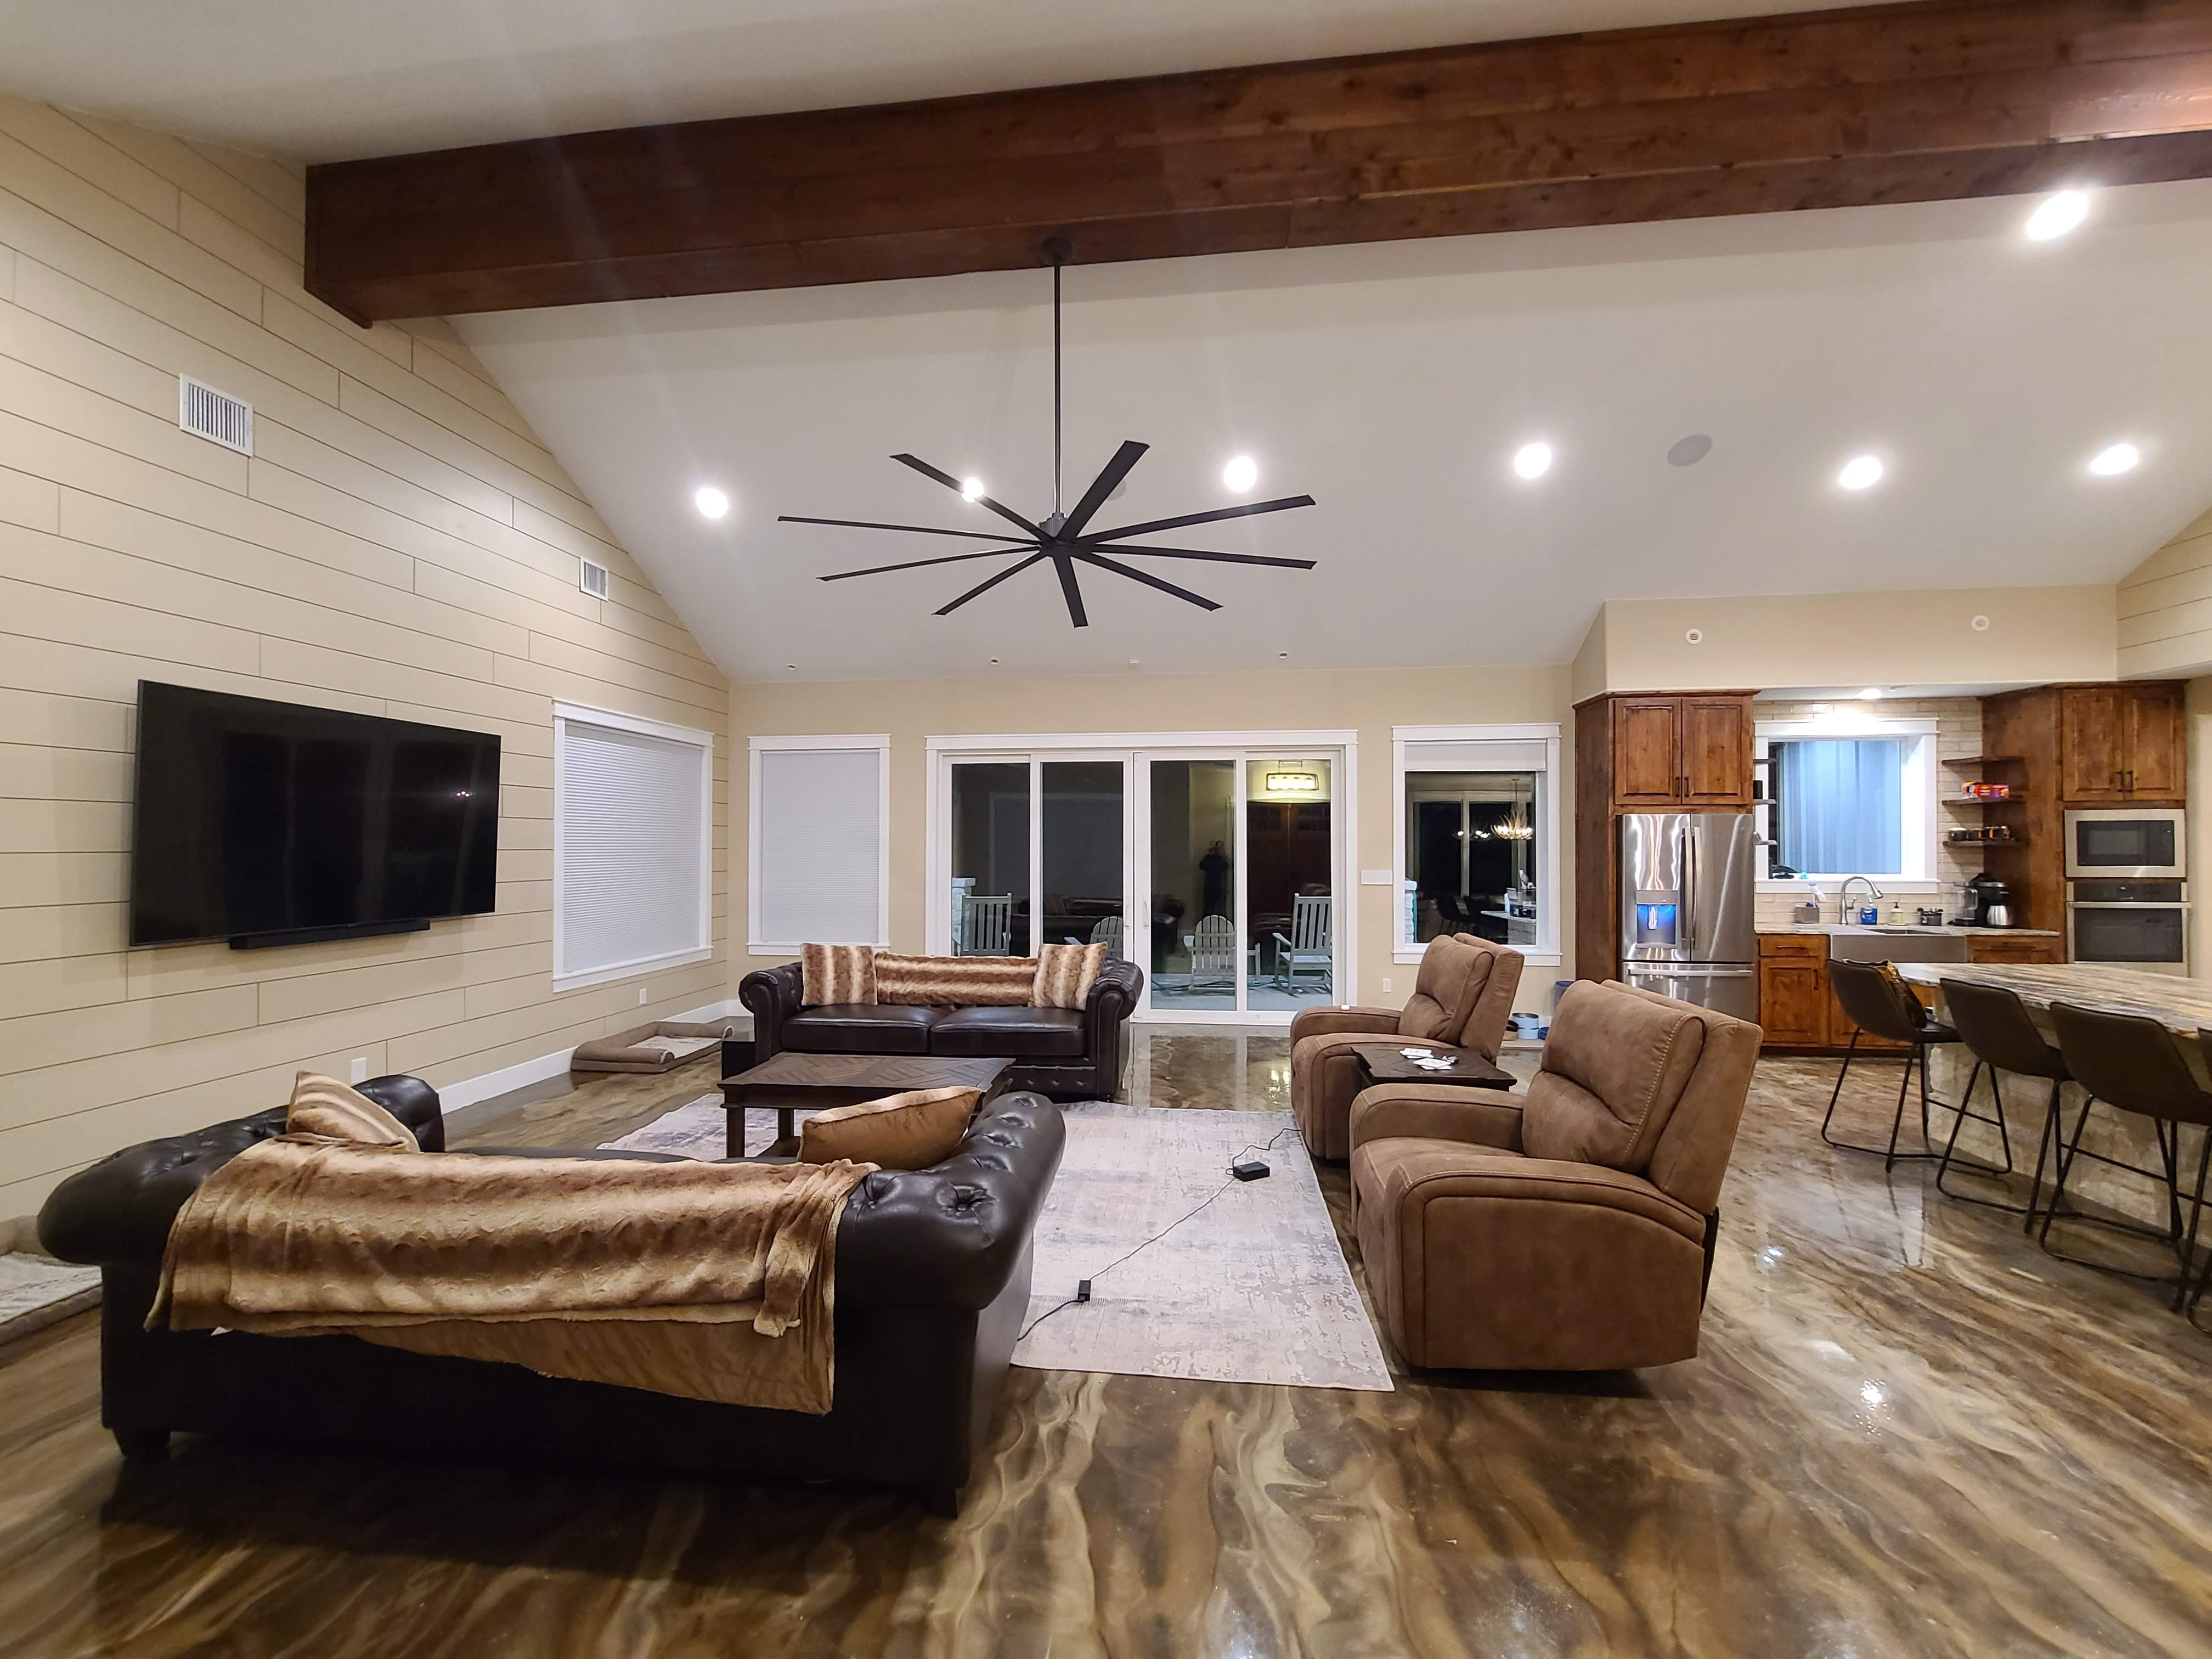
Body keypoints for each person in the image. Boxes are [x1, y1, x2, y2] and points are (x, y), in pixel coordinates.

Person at [1199, 840, 1229, 920]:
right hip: (1216, 885)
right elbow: (1226, 866)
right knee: (1216, 907)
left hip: (1213, 885)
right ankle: (1218, 922)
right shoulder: (1219, 859)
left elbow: (1202, 866)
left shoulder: (1213, 859)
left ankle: (1210, 922)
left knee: (1214, 907)